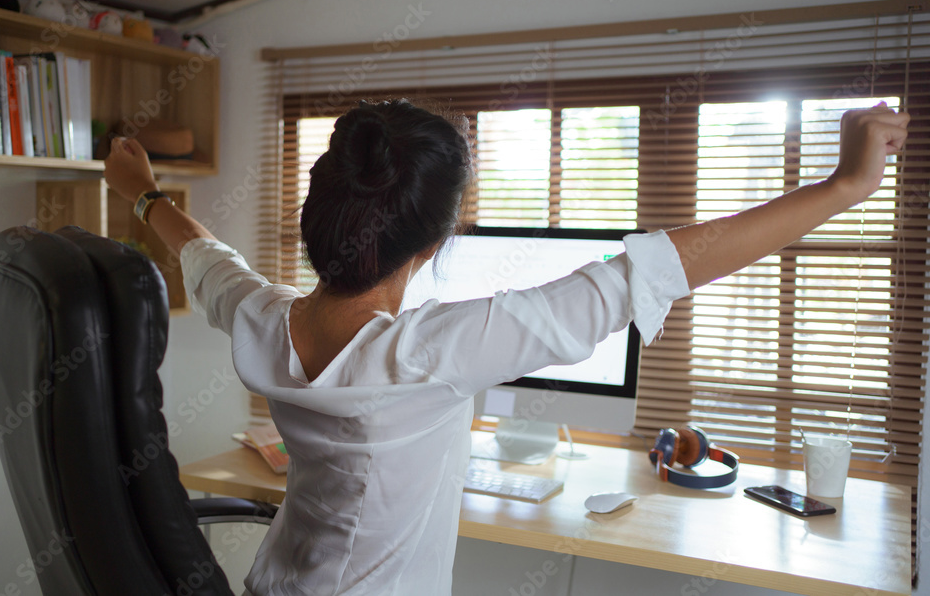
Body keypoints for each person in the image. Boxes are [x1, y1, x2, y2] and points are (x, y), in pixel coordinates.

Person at [104, 98, 908, 595]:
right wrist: (843, 187)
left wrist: (140, 191)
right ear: (433, 242)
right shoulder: (431, 351)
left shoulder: (261, 318)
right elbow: (648, 272)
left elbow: (202, 254)